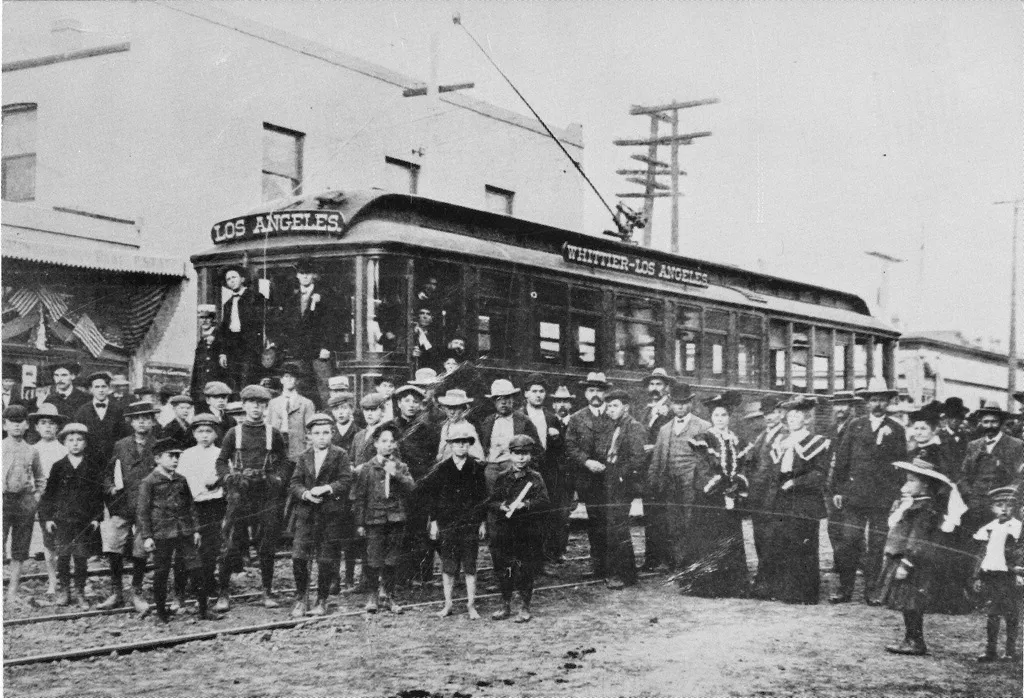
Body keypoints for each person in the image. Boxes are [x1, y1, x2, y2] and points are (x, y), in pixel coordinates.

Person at [827, 377, 907, 604]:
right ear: (867, 402)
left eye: (882, 400)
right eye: (874, 400)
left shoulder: (896, 429)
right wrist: (838, 490)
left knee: (877, 545)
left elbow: (901, 467)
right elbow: (842, 460)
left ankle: (872, 591)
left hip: (881, 499)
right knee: (849, 540)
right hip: (854, 496)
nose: (878, 404)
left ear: (888, 402)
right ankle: (845, 589)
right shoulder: (856, 425)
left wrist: (895, 496)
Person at [876, 457, 965, 656]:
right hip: (905, 557)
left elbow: (918, 539)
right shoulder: (911, 505)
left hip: (914, 561)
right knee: (907, 602)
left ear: (925, 485)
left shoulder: (925, 510)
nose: (905, 485)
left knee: (912, 601)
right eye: (906, 480)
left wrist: (907, 563)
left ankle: (915, 640)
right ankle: (911, 638)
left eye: (911, 481)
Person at [214, 384, 288, 611]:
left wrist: (276, 479)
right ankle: (223, 593)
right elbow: (220, 462)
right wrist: (230, 478)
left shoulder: (272, 433)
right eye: (252, 403)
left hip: (265, 493)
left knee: (267, 544)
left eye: (261, 404)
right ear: (244, 405)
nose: (256, 408)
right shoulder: (233, 433)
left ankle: (266, 591)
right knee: (230, 542)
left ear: (266, 407)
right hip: (240, 493)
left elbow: (284, 462)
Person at [137, 437, 221, 624]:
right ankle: (160, 612)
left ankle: (203, 610)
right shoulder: (149, 482)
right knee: (162, 572)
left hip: (185, 532)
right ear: (158, 459)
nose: (175, 460)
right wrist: (147, 536)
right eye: (171, 456)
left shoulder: (181, 480)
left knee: (196, 569)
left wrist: (196, 530)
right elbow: (143, 511)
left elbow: (191, 506)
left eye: (177, 456)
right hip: (162, 533)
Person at [754, 396, 829, 604]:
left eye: (798, 415)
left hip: (804, 499)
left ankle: (803, 593)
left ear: (806, 418)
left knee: (803, 543)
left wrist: (796, 483)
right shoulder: (782, 441)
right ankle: (783, 589)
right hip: (782, 497)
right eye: (791, 415)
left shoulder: (817, 442)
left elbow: (820, 474)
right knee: (782, 541)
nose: (794, 419)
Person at [416, 422, 489, 619]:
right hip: (448, 524)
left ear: (469, 445)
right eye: (457, 443)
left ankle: (471, 604)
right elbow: (432, 496)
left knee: (470, 565)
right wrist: (434, 522)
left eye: (465, 443)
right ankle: (448, 604)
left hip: (470, 524)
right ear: (450, 445)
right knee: (448, 566)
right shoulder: (442, 469)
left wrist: (482, 522)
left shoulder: (476, 467)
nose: (461, 446)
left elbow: (482, 497)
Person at [906, 401, 972, 614]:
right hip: (921, 503)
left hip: (938, 504)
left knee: (939, 553)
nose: (919, 432)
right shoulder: (915, 450)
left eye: (923, 428)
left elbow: (948, 478)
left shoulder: (939, 450)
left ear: (934, 430)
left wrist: (938, 505)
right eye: (915, 428)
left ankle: (948, 601)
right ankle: (924, 597)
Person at [686, 391, 753, 598]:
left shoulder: (738, 441)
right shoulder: (704, 439)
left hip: (730, 497)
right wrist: (721, 485)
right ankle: (708, 584)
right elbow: (703, 468)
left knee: (730, 538)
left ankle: (732, 584)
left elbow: (744, 467)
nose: (720, 419)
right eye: (716, 416)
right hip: (711, 498)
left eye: (724, 415)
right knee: (710, 537)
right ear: (711, 418)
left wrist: (737, 485)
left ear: (729, 417)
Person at [97, 400, 161, 613]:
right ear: (131, 422)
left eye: (147, 418)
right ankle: (116, 592)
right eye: (137, 418)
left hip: (148, 506)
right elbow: (107, 473)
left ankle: (137, 591)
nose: (142, 422)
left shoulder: (159, 445)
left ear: (152, 421)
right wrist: (111, 487)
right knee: (114, 545)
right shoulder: (121, 445)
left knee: (141, 549)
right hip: (123, 504)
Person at [289, 413, 353, 617]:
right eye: (317, 433)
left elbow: (345, 481)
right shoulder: (304, 456)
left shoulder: (340, 454)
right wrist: (306, 494)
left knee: (326, 559)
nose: (322, 437)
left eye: (326, 432)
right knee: (299, 557)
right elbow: (294, 484)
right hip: (306, 515)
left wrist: (326, 488)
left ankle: (322, 599)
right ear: (309, 436)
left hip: (330, 516)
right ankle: (301, 598)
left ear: (332, 434)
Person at [38, 423, 104, 608]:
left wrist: (96, 517)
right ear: (65, 443)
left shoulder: (91, 467)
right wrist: (49, 517)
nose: (75, 444)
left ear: (85, 443)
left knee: (81, 558)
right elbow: (49, 494)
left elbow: (98, 495)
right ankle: (65, 592)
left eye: (79, 440)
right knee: (64, 557)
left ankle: (80, 593)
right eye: (71, 440)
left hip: (83, 521)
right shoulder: (58, 466)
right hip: (63, 520)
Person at [647, 382, 711, 571]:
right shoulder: (665, 429)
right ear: (671, 404)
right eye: (676, 403)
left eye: (684, 403)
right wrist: (653, 481)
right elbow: (657, 459)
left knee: (692, 522)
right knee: (673, 524)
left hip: (692, 484)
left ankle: (692, 563)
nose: (680, 407)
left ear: (690, 403)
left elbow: (708, 460)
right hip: (671, 484)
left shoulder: (703, 426)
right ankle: (678, 562)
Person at [352, 424, 415, 614]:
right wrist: (360, 523)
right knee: (373, 559)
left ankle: (389, 596)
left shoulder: (400, 466)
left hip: (396, 518)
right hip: (374, 519)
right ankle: (372, 596)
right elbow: (360, 497)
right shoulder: (367, 468)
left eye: (392, 441)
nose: (389, 445)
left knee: (392, 559)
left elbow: (412, 488)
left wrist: (395, 472)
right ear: (376, 444)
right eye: (384, 441)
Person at [487, 434, 550, 622]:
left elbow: (545, 501)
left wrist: (527, 504)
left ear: (530, 456)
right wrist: (501, 506)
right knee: (504, 568)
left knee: (525, 568)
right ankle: (505, 605)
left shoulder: (535, 477)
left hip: (527, 531)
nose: (521, 458)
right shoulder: (502, 477)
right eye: (517, 454)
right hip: (505, 530)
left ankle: (524, 607)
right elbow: (492, 501)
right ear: (510, 455)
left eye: (525, 454)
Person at [564, 373, 620, 583]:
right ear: (586, 393)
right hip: (589, 479)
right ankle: (599, 568)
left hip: (611, 479)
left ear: (606, 393)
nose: (595, 395)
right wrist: (587, 461)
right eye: (591, 390)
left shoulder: (615, 415)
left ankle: (613, 571)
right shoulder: (577, 418)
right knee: (595, 523)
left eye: (599, 390)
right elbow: (570, 446)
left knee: (612, 524)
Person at [388, 375, 442, 586]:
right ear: (399, 403)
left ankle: (423, 574)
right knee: (401, 529)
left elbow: (432, 459)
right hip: (397, 485)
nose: (411, 405)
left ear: (420, 404)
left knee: (421, 529)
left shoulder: (427, 429)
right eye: (406, 401)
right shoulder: (391, 428)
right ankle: (401, 576)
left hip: (420, 484)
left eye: (415, 401)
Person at [176, 413, 227, 607]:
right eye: (200, 431)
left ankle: (205, 587)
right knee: (186, 547)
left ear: (216, 434)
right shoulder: (187, 455)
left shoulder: (220, 454)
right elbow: (181, 481)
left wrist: (217, 481)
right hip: (192, 506)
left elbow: (225, 477)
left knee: (210, 548)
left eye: (209, 431)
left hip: (213, 505)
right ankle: (180, 591)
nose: (204, 435)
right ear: (194, 434)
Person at [279, 258, 344, 407]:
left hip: (319, 350)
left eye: (308, 273)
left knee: (325, 386)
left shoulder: (325, 296)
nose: (305, 276)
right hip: (299, 351)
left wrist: (326, 346)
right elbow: (287, 325)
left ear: (313, 275)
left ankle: (330, 419)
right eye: (302, 273)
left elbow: (332, 323)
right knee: (301, 387)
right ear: (297, 276)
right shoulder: (293, 299)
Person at [518, 374, 566, 567]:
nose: (538, 395)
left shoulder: (552, 418)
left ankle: (542, 559)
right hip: (525, 471)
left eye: (541, 391)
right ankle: (524, 559)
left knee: (545, 515)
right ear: (526, 394)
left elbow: (561, 450)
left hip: (547, 473)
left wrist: (556, 438)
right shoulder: (519, 417)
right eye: (534, 391)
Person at [972, 485, 1024, 662]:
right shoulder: (989, 528)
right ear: (992, 508)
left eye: (1009, 505)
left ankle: (1010, 650)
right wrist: (978, 576)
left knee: (1011, 613)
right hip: (993, 575)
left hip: (1009, 575)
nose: (1004, 509)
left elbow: (1020, 552)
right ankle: (990, 649)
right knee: (993, 613)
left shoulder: (1017, 528)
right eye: (999, 505)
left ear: (1015, 507)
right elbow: (982, 554)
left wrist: (1019, 573)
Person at [958, 401, 1024, 534]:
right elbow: (963, 475)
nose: (989, 425)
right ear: (980, 423)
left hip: (1002, 508)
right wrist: (970, 497)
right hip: (975, 506)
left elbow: (1020, 477)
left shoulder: (1015, 445)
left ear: (1001, 422)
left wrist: (1006, 499)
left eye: (994, 421)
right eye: (986, 421)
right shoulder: (973, 445)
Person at [3, 405, 45, 606]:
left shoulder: (32, 450)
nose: (17, 426)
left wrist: (35, 498)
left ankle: (12, 592)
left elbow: (40, 477)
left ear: (27, 424)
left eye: (20, 422)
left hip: (24, 502)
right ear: (5, 424)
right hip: (3, 501)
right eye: (12, 422)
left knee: (20, 549)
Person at [29, 403, 68, 595]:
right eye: (43, 423)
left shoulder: (64, 450)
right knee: (48, 543)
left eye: (51, 423)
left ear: (58, 427)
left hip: (63, 500)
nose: (47, 427)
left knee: (67, 541)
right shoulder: (32, 450)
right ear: (36, 427)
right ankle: (53, 580)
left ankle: (68, 579)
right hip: (43, 501)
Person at [746, 395, 786, 569]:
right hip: (758, 494)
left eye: (774, 413)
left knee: (773, 536)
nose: (769, 417)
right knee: (759, 535)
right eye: (766, 414)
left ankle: (771, 577)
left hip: (774, 494)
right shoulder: (762, 435)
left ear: (781, 413)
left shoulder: (785, 434)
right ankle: (763, 573)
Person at [479, 379, 541, 490]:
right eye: (499, 399)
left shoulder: (523, 420)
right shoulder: (488, 421)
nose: (503, 402)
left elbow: (537, 449)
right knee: (494, 500)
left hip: (513, 466)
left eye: (507, 398)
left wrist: (525, 467)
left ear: (513, 399)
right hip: (492, 466)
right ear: (494, 402)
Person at [217, 265, 267, 391]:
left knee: (247, 379)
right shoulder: (227, 303)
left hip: (249, 346)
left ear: (242, 279)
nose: (231, 281)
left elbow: (261, 323)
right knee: (233, 380)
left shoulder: (255, 297)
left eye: (234, 277)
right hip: (233, 346)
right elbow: (225, 329)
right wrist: (223, 352)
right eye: (228, 279)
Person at [267, 362, 317, 467]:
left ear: (297, 380)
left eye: (293, 377)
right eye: (286, 376)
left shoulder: (306, 404)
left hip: (299, 454)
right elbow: (268, 430)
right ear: (281, 380)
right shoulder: (273, 403)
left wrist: (307, 456)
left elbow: (311, 433)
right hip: (278, 453)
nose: (289, 379)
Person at [73, 371, 129, 464]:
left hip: (112, 459)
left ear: (109, 388)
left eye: (103, 386)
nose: (101, 390)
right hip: (89, 460)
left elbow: (123, 435)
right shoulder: (82, 411)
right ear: (91, 389)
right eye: (97, 387)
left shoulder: (118, 410)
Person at [548, 385, 576, 561]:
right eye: (558, 401)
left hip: (568, 476)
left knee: (564, 513)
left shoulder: (576, 423)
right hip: (551, 475)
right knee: (549, 512)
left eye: (565, 401)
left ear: (571, 405)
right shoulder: (549, 422)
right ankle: (548, 551)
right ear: (553, 405)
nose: (562, 405)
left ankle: (559, 551)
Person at [436, 389, 485, 462]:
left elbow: (479, 458)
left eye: (456, 408)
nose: (452, 412)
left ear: (463, 409)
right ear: (445, 408)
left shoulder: (467, 427)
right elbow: (441, 453)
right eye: (449, 408)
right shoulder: (445, 427)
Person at [190, 304, 225, 404]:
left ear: (213, 319)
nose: (204, 321)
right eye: (201, 318)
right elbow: (197, 369)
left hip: (215, 391)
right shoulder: (202, 341)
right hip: (201, 392)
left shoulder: (220, 337)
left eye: (207, 317)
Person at [351, 393, 390, 468]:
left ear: (383, 411)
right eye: (366, 410)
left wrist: (366, 467)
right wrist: (351, 467)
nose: (369, 414)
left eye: (373, 410)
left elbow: (392, 464)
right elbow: (351, 460)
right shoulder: (358, 435)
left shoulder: (388, 434)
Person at [940, 397, 972, 468]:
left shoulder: (967, 436)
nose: (954, 420)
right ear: (946, 417)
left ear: (962, 418)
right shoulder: (938, 436)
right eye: (951, 416)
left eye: (958, 417)